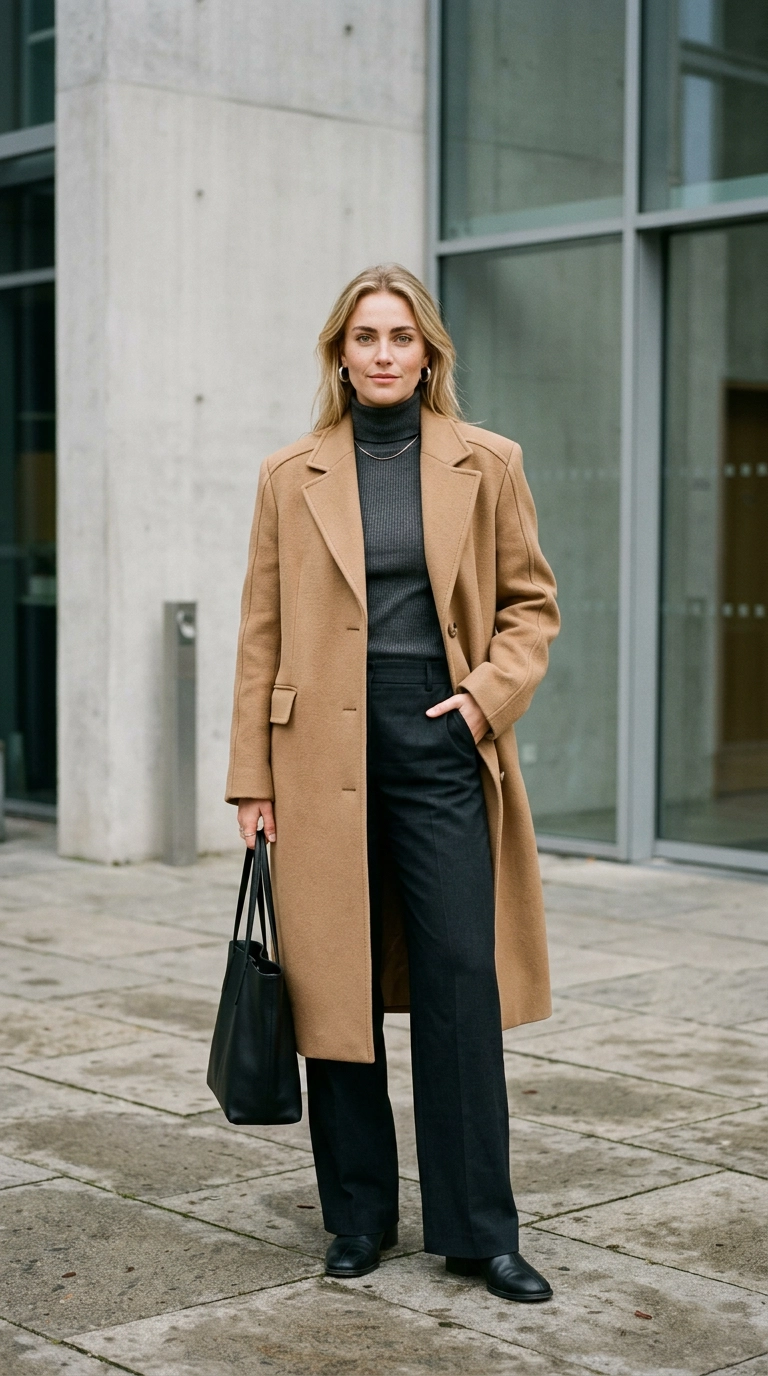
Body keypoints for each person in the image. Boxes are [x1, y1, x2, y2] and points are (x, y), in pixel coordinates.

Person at [226, 264, 560, 1302]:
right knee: (335, 986)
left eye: (400, 337)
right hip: (316, 747)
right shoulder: (292, 473)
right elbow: (260, 632)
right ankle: (359, 1216)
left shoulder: (486, 460)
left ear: (428, 354)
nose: (382, 352)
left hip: (438, 733)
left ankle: (478, 1230)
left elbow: (530, 605)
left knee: (462, 978)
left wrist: (482, 698)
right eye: (364, 336)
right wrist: (251, 777)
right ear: (341, 353)